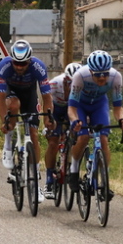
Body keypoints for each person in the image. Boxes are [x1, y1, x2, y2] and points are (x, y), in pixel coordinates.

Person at [0, 40, 53, 204]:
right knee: (13, 106)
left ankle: (35, 181)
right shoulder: (4, 66)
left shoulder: (38, 67)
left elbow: (47, 97)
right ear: (11, 60)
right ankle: (8, 145)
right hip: (11, 92)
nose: (19, 67)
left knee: (34, 134)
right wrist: (4, 120)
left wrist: (48, 117)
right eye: (16, 63)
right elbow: (0, 99)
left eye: (23, 63)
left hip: (29, 94)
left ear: (30, 60)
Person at [67, 50, 123, 197]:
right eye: (97, 75)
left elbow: (118, 107)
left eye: (105, 74)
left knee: (103, 140)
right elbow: (72, 108)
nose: (102, 78)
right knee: (82, 137)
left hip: (99, 105)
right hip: (81, 106)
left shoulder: (116, 77)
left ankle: (104, 182)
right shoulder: (80, 76)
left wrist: (121, 120)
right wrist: (75, 121)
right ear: (90, 71)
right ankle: (74, 171)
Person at [43, 62, 80, 198]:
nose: (72, 87)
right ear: (65, 79)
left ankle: (72, 164)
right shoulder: (54, 83)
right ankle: (49, 178)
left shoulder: (83, 85)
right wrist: (49, 122)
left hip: (73, 108)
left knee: (79, 135)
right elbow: (46, 103)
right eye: (69, 83)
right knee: (53, 142)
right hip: (56, 109)